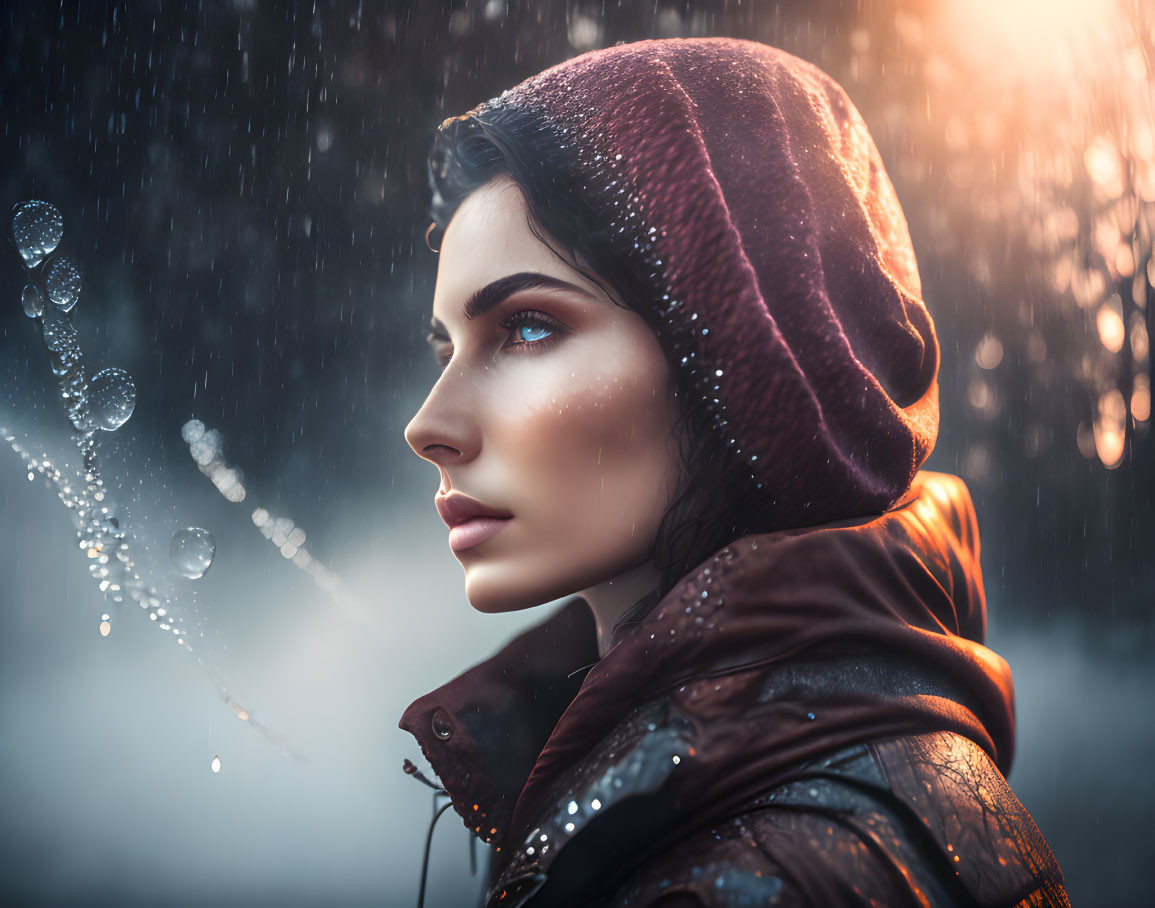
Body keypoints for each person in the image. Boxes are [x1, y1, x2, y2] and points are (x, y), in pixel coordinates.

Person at [399, 37, 1068, 907]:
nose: (428, 427)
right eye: (445, 346)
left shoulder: (758, 875)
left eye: (527, 328)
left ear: (746, 354)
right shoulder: (833, 774)